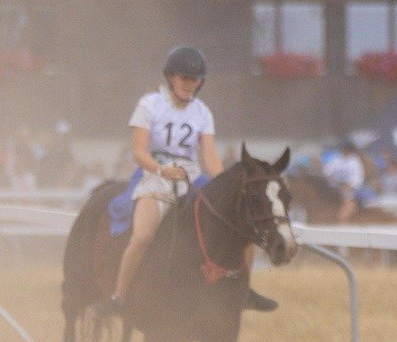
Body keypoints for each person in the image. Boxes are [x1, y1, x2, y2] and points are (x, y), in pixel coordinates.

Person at [93, 46, 276, 316]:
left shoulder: (203, 112)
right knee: (143, 236)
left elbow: (210, 155)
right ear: (170, 77)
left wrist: (226, 183)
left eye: (195, 80)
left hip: (191, 176)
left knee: (242, 224)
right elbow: (139, 152)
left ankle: (244, 290)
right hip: (156, 175)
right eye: (185, 79)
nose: (190, 85)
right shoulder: (149, 105)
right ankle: (118, 298)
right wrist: (162, 170)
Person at [323, 140, 366, 224]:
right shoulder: (335, 159)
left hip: (349, 191)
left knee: (347, 205)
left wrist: (348, 186)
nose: (344, 151)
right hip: (334, 189)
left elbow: (358, 179)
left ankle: (342, 221)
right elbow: (326, 172)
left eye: (346, 149)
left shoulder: (355, 161)